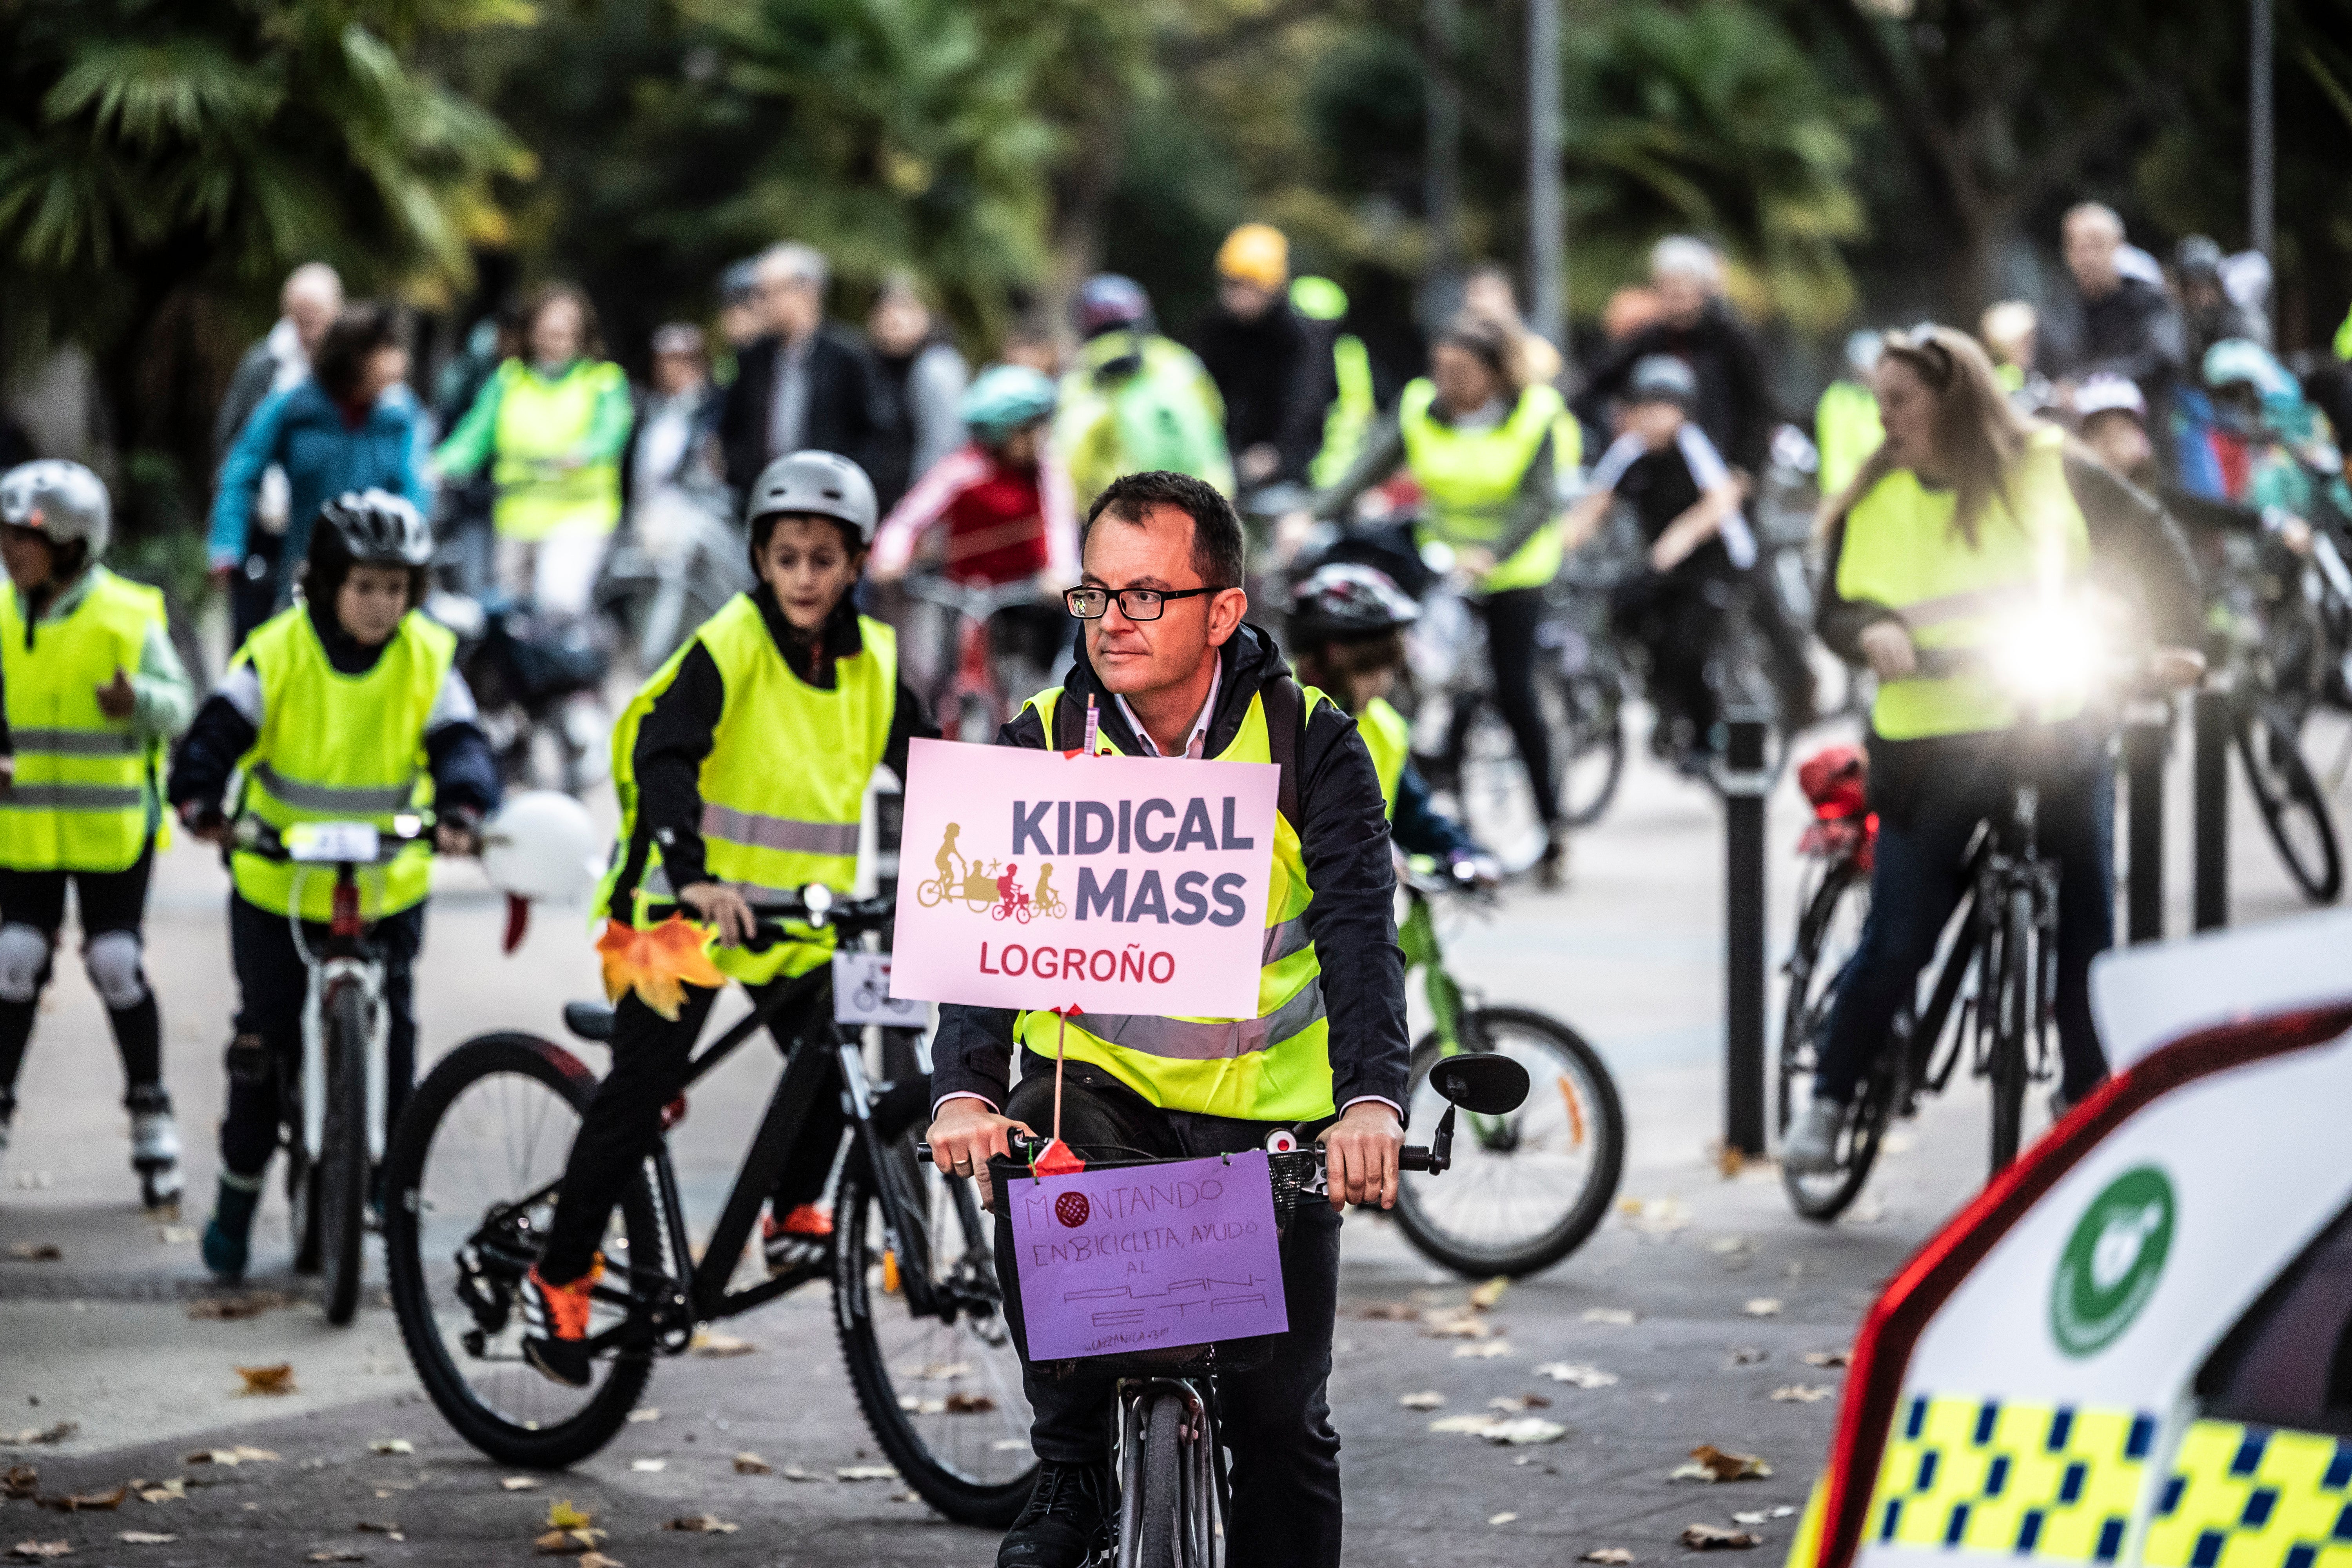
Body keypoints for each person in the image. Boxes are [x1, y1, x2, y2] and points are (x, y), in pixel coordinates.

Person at [924, 470, 1409, 1568]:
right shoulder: (1038, 737)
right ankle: (1071, 1468)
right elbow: (981, 946)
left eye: (1147, 596)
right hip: (1094, 1095)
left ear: (1223, 611)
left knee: (1282, 1426)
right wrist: (962, 1087)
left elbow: (1360, 939)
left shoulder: (1310, 743)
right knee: (1032, 1165)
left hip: (1268, 1124)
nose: (1113, 623)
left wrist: (1372, 1103)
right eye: (1095, 596)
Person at [518, 451, 936, 1386]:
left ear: (854, 564)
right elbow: (665, 758)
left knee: (835, 1048)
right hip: (672, 908)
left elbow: (934, 768)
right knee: (643, 1088)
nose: (803, 576)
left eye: (823, 559)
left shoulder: (874, 661)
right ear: (759, 557)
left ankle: (795, 1215)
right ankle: (561, 1274)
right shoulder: (730, 643)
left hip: (791, 917)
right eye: (786, 557)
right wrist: (696, 877)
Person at [1783, 327, 2204, 1174]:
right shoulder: (1875, 496)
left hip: (2047, 724)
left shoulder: (2050, 467)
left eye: (1900, 399)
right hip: (1928, 747)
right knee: (1901, 938)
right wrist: (1870, 628)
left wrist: (2178, 639)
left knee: (2089, 920)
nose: (1885, 416)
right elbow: (1829, 613)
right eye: (1879, 400)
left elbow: (2151, 538)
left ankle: (2085, 1097)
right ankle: (1830, 1096)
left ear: (1955, 397)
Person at [172, 492, 498, 1279]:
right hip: (277, 883)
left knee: (400, 1029)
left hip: (385, 884)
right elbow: (217, 730)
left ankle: (389, 1179)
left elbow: (462, 742)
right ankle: (240, 1189)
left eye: (397, 588)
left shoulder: (427, 654)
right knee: (264, 1037)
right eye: (365, 586)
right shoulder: (277, 650)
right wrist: (199, 794)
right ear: (325, 585)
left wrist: (462, 803)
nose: (383, 604)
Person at [1304, 313, 1580, 887]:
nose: (1446, 383)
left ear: (1494, 375)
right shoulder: (1420, 410)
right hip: (1440, 560)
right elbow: (1367, 469)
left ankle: (1553, 829)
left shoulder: (1536, 417)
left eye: (1460, 372)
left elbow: (1540, 501)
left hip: (1513, 570)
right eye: (1440, 371)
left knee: (1514, 691)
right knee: (1404, 673)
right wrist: (1313, 515)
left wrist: (1492, 552)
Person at [0, 461, 194, 1205]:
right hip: (24, 833)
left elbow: (181, 705)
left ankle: (151, 1115)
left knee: (116, 963)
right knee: (15, 960)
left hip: (112, 827)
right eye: (8, 536)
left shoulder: (128, 613)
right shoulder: (2, 612)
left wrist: (136, 699)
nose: (13, 551)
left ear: (75, 545)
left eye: (28, 538)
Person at [1562, 355, 1754, 769]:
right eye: (1642, 407)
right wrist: (1562, 544)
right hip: (1662, 564)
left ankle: (1706, 735)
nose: (1649, 418)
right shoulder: (1629, 450)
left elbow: (1719, 500)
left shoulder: (1694, 446)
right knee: (1623, 610)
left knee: (1686, 646)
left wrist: (1680, 538)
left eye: (1659, 407)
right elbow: (1595, 504)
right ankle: (1661, 702)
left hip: (1713, 562)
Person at [871, 365, 1078, 700]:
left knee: (1036, 679)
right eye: (1030, 430)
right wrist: (890, 558)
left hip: (1023, 596)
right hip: (960, 596)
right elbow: (908, 520)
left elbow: (1060, 527)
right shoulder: (962, 468)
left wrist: (1059, 574)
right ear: (1003, 432)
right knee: (931, 677)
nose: (1040, 438)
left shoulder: (1046, 471)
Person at [209, 304, 425, 622]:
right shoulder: (296, 406)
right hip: (305, 569)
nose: (399, 362)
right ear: (355, 356)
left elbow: (414, 489)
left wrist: (413, 554)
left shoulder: (399, 412)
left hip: (377, 575)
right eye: (387, 349)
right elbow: (243, 471)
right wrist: (227, 545)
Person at [432, 283, 633, 619]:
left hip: (580, 517)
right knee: (508, 617)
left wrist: (583, 453)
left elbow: (611, 431)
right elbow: (474, 436)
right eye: (547, 333)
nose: (555, 342)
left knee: (558, 601)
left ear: (581, 336)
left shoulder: (604, 381)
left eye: (565, 334)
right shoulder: (508, 380)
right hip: (517, 517)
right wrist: (440, 465)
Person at [1285, 563, 1485, 871]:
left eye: (1390, 664)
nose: (1385, 681)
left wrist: (1463, 851)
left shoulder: (1384, 726)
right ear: (1329, 657)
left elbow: (1412, 815)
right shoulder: (1272, 718)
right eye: (1370, 664)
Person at [214, 263, 345, 645]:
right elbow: (235, 450)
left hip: (322, 525)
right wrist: (226, 538)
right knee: (251, 630)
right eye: (300, 317)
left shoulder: (346, 372)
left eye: (316, 318)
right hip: (264, 523)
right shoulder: (264, 365)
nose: (308, 329)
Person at [1574, 236, 1777, 483]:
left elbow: (1759, 408)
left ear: (1703, 288)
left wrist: (1745, 470)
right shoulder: (1647, 339)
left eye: (1683, 282)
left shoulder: (1732, 341)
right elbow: (1595, 387)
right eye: (1667, 282)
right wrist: (1621, 421)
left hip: (1718, 468)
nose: (1675, 290)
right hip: (1659, 474)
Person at [716, 244, 897, 498]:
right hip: (763, 500)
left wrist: (846, 486)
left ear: (807, 293)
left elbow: (878, 435)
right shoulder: (752, 360)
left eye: (766, 293)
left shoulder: (849, 356)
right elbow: (732, 429)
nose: (758, 304)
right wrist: (742, 477)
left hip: (830, 502)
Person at [1055, 275, 1233, 509]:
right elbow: (1217, 414)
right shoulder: (1180, 362)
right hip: (1203, 502)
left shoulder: (1081, 378)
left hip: (1122, 517)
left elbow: (1070, 458)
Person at [1190, 224, 1322, 490]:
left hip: (1283, 470)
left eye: (1251, 286)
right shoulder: (1213, 330)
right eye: (1233, 284)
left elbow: (1305, 405)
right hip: (1222, 460)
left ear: (1275, 288)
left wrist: (1277, 454)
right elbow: (1198, 393)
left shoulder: (1297, 336)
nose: (1241, 296)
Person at [2047, 204, 2185, 457]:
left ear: (2119, 246)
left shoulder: (2151, 302)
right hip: (2080, 452)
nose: (2086, 257)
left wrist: (2084, 382)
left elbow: (2164, 360)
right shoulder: (2058, 312)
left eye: (2096, 244)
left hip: (2149, 448)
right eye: (2077, 247)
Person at [864, 275, 970, 514]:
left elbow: (945, 443)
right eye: (886, 309)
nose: (895, 318)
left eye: (905, 307)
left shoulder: (936, 367)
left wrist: (920, 508)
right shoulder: (865, 365)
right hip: (877, 499)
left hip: (919, 503)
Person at [626, 323, 725, 531]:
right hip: (645, 518)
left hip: (699, 520)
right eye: (666, 360)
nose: (673, 368)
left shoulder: (716, 410)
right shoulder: (645, 410)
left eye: (684, 359)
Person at [1289, 276, 1378, 489]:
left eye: (1323, 326)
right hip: (1286, 475)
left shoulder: (1349, 356)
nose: (1314, 333)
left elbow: (1366, 416)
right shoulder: (1279, 357)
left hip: (1336, 480)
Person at [1462, 260, 1564, 390]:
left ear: (1507, 296)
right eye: (1474, 294)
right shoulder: (1457, 354)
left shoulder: (1538, 354)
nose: (1478, 303)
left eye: (1484, 293)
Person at [1815, 331, 1886, 499]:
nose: (1870, 373)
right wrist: (1837, 496)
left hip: (1882, 492)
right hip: (1849, 494)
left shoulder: (1882, 399)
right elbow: (1833, 452)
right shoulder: (1838, 399)